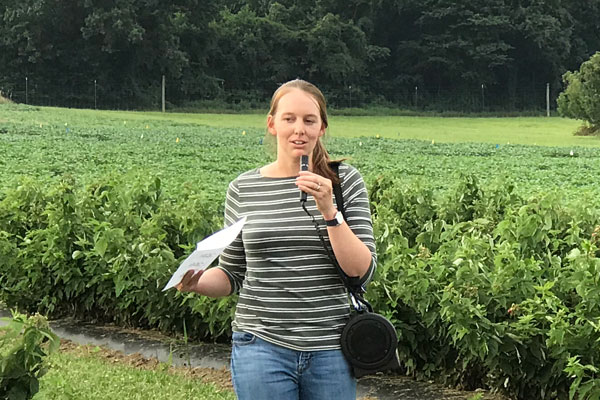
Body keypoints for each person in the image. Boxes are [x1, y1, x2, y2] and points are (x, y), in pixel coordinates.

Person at [177, 79, 377, 400]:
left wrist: (330, 211)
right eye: (289, 119)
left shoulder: (344, 181)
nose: (299, 129)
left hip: (330, 347)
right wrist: (196, 281)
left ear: (322, 128)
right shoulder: (243, 189)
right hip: (261, 344)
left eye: (309, 120)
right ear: (272, 125)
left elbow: (362, 271)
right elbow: (231, 275)